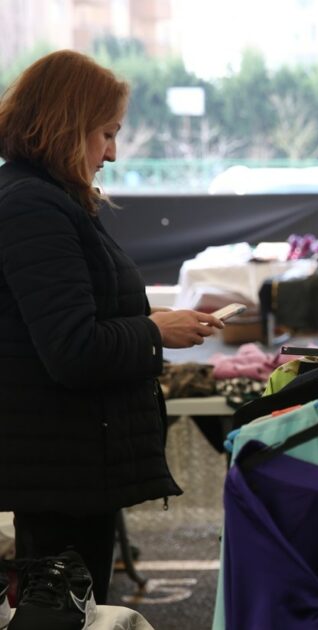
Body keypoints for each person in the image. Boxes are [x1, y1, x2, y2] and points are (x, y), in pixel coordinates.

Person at [0, 50, 222, 606]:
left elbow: (73, 323)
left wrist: (153, 324)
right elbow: (72, 349)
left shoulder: (48, 201)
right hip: (59, 468)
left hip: (67, 466)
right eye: (106, 133)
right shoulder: (34, 208)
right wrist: (154, 333)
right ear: (66, 126)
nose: (113, 153)